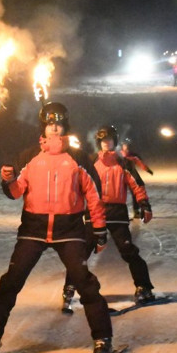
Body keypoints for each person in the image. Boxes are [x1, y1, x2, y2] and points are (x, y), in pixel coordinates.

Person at [0, 102, 116, 353]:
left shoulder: (78, 158)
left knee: (86, 284)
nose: (54, 128)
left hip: (69, 230)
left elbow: (94, 195)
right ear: (43, 128)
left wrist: (99, 229)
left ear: (65, 127)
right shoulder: (29, 156)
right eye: (49, 124)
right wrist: (8, 179)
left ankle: (102, 339)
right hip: (33, 229)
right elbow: (16, 191)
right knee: (10, 283)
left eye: (59, 123)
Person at [62, 125, 156, 312]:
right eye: (104, 140)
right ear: (99, 142)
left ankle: (144, 286)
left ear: (115, 141)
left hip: (117, 212)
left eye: (110, 140)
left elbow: (137, 184)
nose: (107, 143)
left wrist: (144, 204)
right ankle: (70, 288)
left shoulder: (123, 163)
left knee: (128, 250)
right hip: (95, 211)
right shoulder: (91, 161)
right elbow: (78, 184)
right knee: (82, 252)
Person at [119, 137, 154, 219]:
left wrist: (147, 170)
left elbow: (140, 163)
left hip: (132, 175)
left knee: (135, 193)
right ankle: (120, 213)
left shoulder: (133, 155)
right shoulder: (118, 155)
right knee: (119, 194)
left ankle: (136, 211)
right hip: (121, 175)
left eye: (127, 145)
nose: (126, 147)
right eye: (124, 145)